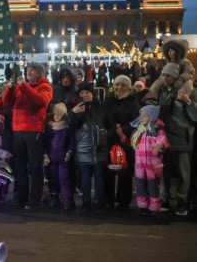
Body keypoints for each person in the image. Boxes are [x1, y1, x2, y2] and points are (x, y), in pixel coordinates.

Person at [2, 62, 53, 209]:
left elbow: (39, 102)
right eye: (28, 70)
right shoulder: (21, 87)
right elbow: (6, 102)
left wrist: (24, 86)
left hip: (33, 130)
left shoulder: (45, 86)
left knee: (35, 167)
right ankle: (22, 198)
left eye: (32, 70)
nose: (29, 72)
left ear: (39, 73)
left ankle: (34, 200)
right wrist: (10, 89)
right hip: (18, 130)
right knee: (20, 166)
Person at [156, 62, 197, 216]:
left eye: (168, 75)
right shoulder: (161, 91)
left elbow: (195, 116)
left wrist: (188, 102)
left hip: (183, 137)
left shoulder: (189, 91)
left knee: (183, 174)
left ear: (175, 77)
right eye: (163, 74)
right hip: (165, 137)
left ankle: (182, 202)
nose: (165, 78)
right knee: (164, 171)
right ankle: (164, 199)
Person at [101, 75, 140, 210]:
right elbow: (102, 117)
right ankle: (108, 199)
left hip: (125, 140)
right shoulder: (109, 100)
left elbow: (136, 121)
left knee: (125, 172)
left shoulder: (133, 101)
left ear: (129, 87)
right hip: (110, 139)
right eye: (117, 84)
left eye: (123, 85)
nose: (119, 87)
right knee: (108, 170)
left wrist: (123, 129)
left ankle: (124, 201)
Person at [70, 83, 109, 213]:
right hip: (83, 148)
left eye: (87, 92)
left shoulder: (102, 107)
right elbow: (70, 127)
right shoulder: (76, 108)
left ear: (93, 94)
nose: (85, 95)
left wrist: (105, 137)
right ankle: (86, 202)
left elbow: (110, 124)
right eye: (82, 93)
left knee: (99, 177)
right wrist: (72, 113)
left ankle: (99, 202)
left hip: (99, 148)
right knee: (85, 177)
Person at [130, 105, 168, 216]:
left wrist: (160, 145)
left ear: (152, 117)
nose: (141, 118)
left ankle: (154, 207)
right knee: (140, 186)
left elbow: (163, 141)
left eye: (145, 116)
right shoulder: (138, 130)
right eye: (141, 115)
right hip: (140, 164)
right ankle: (143, 206)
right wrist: (122, 136)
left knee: (153, 187)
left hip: (153, 165)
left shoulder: (157, 130)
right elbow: (132, 143)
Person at [43, 103, 73, 210]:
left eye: (59, 114)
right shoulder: (49, 127)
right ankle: (53, 196)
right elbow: (46, 142)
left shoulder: (66, 128)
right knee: (52, 178)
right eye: (55, 114)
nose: (56, 116)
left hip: (62, 158)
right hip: (51, 158)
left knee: (63, 178)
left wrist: (69, 152)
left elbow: (70, 142)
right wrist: (45, 154)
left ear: (63, 115)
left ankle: (66, 199)